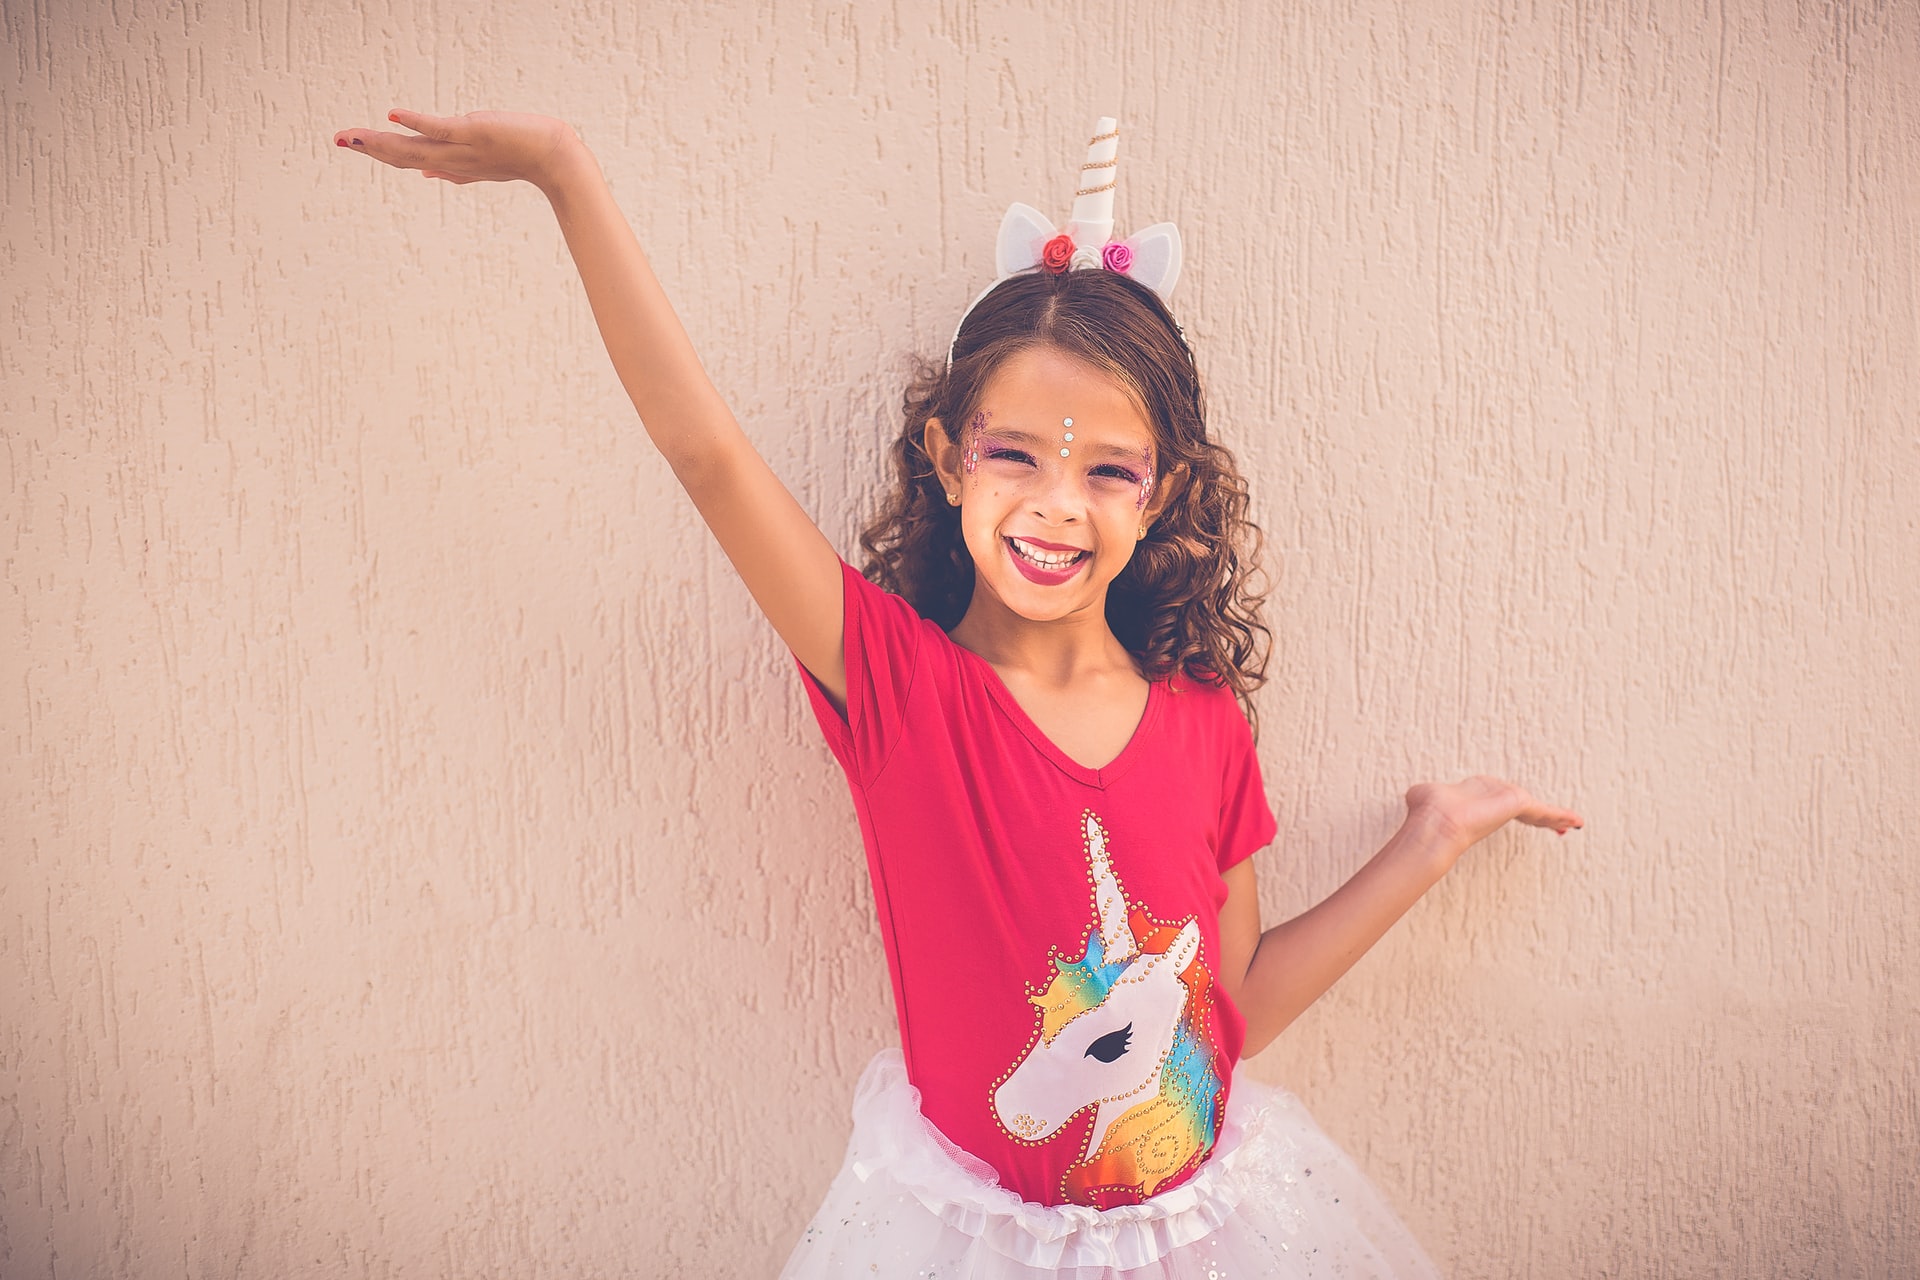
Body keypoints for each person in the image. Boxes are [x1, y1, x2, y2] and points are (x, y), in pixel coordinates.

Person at [334, 108, 1582, 1278]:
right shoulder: (901, 686)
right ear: (945, 457)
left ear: (1159, 495)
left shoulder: (1203, 717)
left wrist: (1422, 847)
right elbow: (704, 454)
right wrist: (567, 175)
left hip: (1196, 1237)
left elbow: (1231, 1006)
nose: (1056, 501)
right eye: (1015, 454)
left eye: (1108, 468)